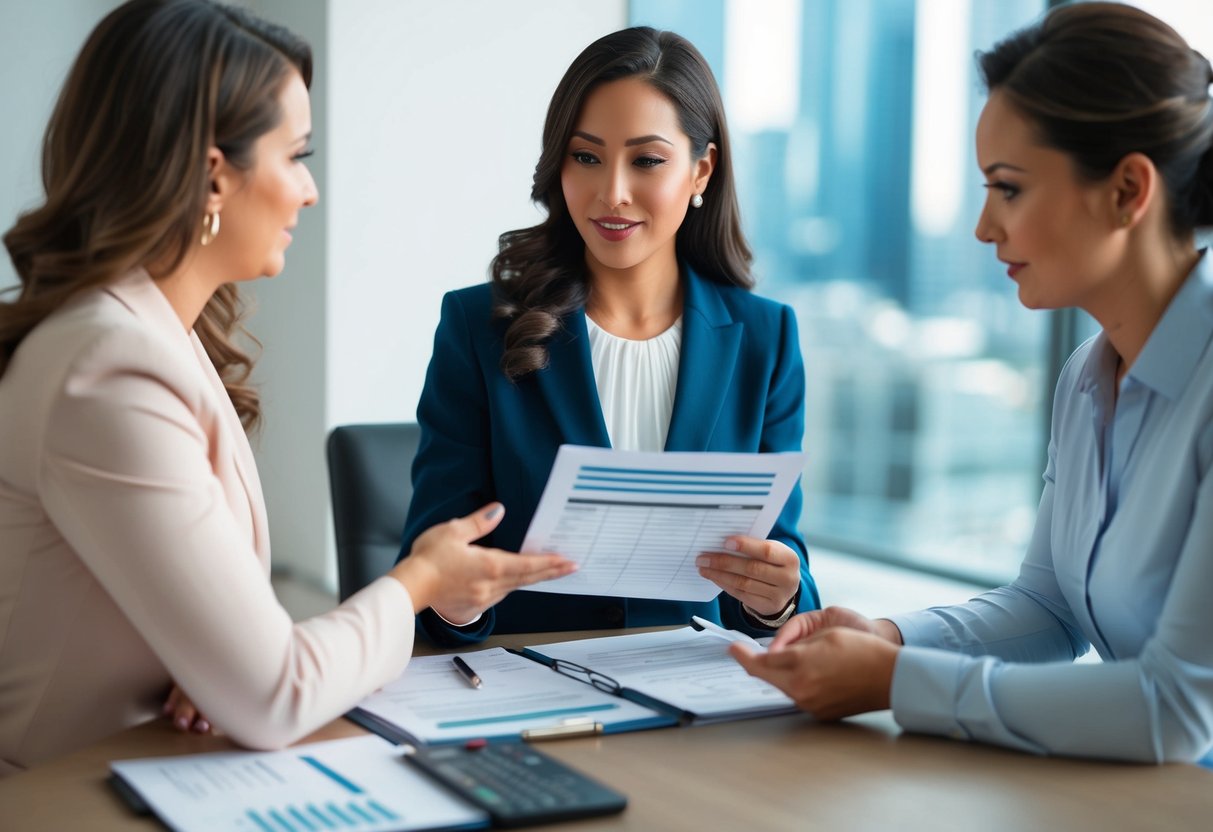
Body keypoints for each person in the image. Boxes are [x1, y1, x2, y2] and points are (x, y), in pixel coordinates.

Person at [0, 0, 574, 775]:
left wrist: (211, 667)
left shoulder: (148, 337)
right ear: (212, 175)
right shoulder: (108, 368)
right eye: (295, 155)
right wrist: (419, 580)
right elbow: (276, 693)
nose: (308, 191)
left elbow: (240, 666)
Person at [732, 2, 1213, 765]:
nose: (983, 228)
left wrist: (896, 680)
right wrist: (884, 638)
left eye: (1008, 188)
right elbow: (1048, 610)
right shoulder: (1085, 376)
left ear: (1127, 190)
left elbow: (1177, 710)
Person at [399, 26, 821, 647]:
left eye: (647, 160)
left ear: (701, 170)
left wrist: (778, 598)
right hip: (521, 691)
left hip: (690, 705)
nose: (611, 193)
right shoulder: (476, 328)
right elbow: (426, 569)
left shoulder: (765, 339)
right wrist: (452, 601)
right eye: (586, 156)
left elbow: (785, 565)